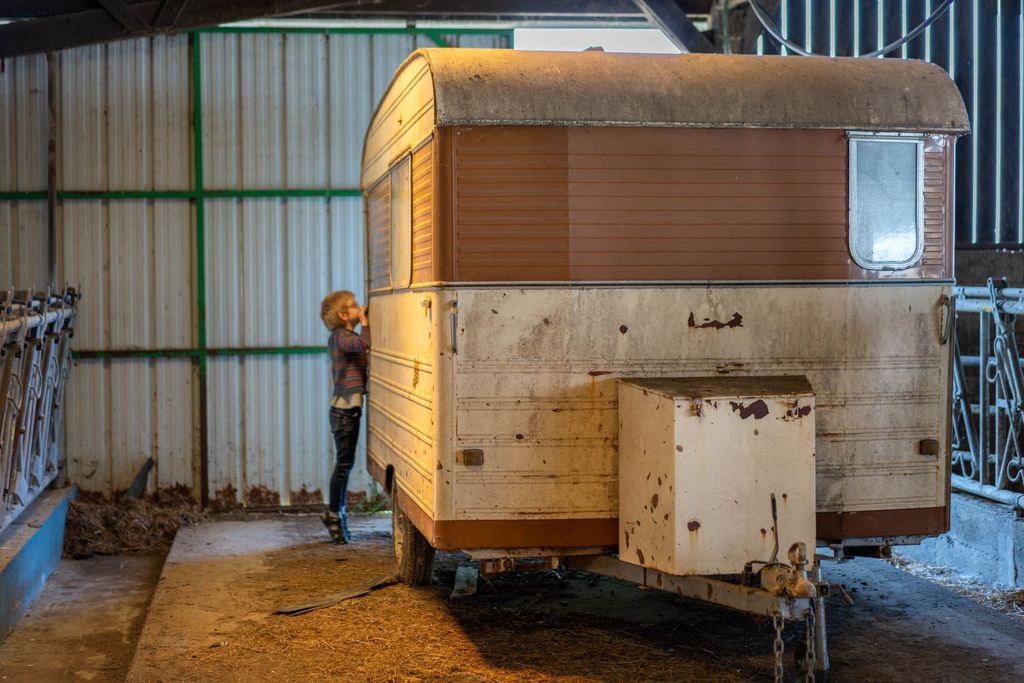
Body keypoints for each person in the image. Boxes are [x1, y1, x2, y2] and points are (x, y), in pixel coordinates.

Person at [319, 290, 370, 544]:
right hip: (343, 412)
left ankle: (335, 513)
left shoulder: (343, 336)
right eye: (354, 306)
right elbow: (362, 344)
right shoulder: (341, 337)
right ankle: (332, 514)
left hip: (349, 410)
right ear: (343, 315)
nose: (359, 308)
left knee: (345, 465)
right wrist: (367, 323)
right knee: (343, 466)